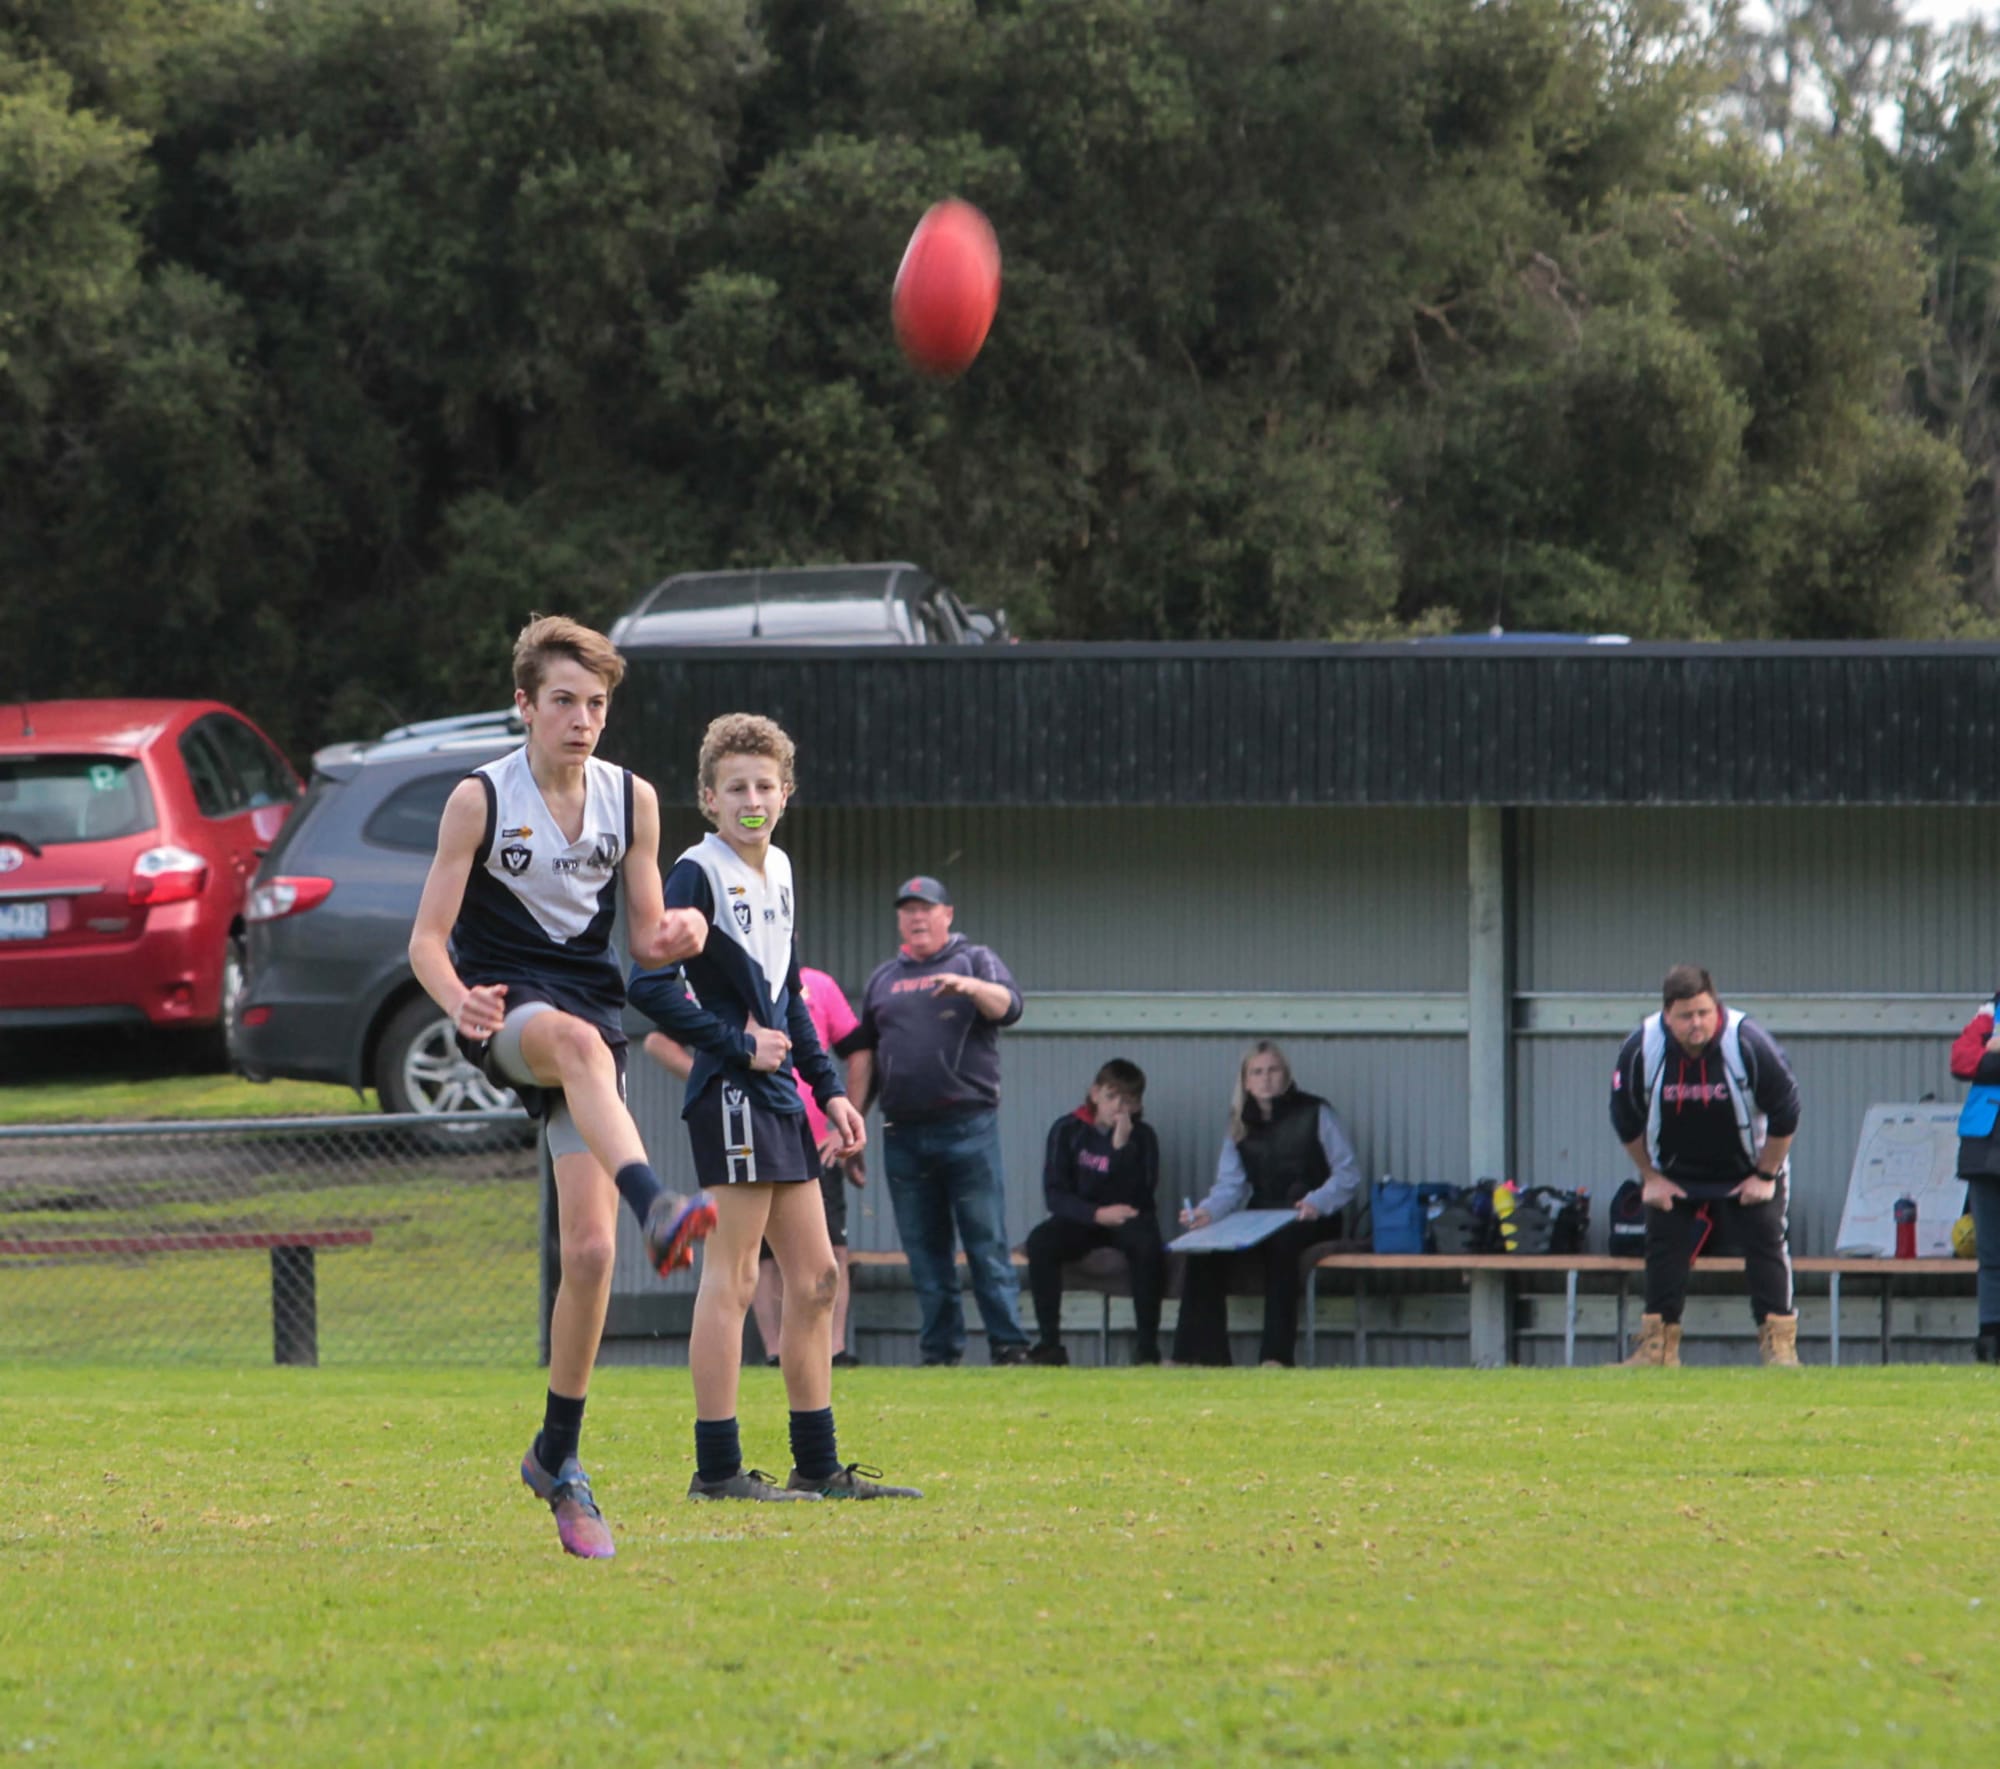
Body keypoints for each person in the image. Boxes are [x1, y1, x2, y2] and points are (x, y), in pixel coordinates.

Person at [407, 614, 715, 1560]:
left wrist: (684, 935)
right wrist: (460, 1001)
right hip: (509, 1013)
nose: (583, 720)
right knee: (580, 1045)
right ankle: (659, 1202)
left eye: (596, 704)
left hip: (588, 1008)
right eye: (564, 702)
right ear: (524, 706)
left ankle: (558, 1457)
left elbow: (650, 935)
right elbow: (425, 941)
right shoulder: (478, 800)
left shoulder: (634, 800)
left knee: (588, 1257)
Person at [628, 713, 918, 1500]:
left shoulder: (780, 870)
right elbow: (647, 985)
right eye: (736, 787)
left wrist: (828, 1092)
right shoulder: (694, 872)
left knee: (819, 1277)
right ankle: (717, 1471)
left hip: (780, 1097)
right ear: (708, 799)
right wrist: (734, 1043)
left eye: (764, 785)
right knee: (734, 1280)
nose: (751, 799)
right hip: (728, 1093)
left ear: (786, 794)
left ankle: (817, 1466)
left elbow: (788, 994)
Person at [837, 875, 1032, 1367]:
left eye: (927, 909)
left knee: (985, 1241)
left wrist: (970, 988)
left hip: (968, 1126)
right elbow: (868, 1058)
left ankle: (1009, 1345)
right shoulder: (884, 979)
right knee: (925, 1251)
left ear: (948, 914)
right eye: (908, 910)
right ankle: (941, 1352)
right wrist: (854, 1128)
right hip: (902, 1133)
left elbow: (1012, 1007)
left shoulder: (974, 960)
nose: (917, 917)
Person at [645, 964, 868, 1368]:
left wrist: (833, 1096)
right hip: (738, 1117)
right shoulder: (712, 980)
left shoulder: (813, 983)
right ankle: (770, 1356)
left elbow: (850, 1045)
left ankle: (833, 1358)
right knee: (743, 1271)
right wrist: (732, 1055)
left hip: (808, 1133)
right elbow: (652, 1014)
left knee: (823, 1270)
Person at [1609, 964, 1803, 1367]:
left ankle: (1779, 1347)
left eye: (1703, 1013)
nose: (1696, 1024)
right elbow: (1625, 1118)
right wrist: (1650, 1178)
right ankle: (1656, 1350)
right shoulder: (1641, 1048)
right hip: (1675, 1173)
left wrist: (1766, 1175)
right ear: (1667, 1015)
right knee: (1663, 1248)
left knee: (1766, 1240)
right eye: (1685, 1016)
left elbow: (1787, 1112)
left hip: (1748, 1168)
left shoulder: (1746, 1042)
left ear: (1716, 1008)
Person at [1170, 1041, 1363, 1368]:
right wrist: (1206, 1213)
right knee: (1205, 1253)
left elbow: (1348, 1173)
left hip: (1312, 1216)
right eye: (1257, 1072)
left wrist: (1317, 1201)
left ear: (1287, 1076)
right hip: (1260, 1216)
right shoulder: (1239, 1125)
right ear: (1245, 1081)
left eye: (1274, 1070)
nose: (1266, 1079)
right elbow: (1230, 1187)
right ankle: (1198, 1357)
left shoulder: (1316, 1112)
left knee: (1282, 1248)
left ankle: (1275, 1357)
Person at [1023, 1059, 1164, 1366]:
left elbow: (1142, 1192)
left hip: (1127, 1217)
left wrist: (1120, 1147)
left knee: (1149, 1246)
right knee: (1040, 1242)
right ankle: (1050, 1344)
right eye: (1112, 1097)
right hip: (1082, 1218)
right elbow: (1056, 1194)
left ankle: (1147, 1348)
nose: (1118, 1106)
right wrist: (1096, 1214)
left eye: (1127, 1100)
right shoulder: (1067, 1130)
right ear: (1095, 1093)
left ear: (1138, 1105)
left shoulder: (1143, 1137)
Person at [1948, 993, 2000, 1362]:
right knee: (1992, 1253)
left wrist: (1993, 1055)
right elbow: (1962, 1060)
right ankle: (1991, 1337)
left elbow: (1980, 1063)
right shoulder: (1990, 1011)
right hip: (1985, 1149)